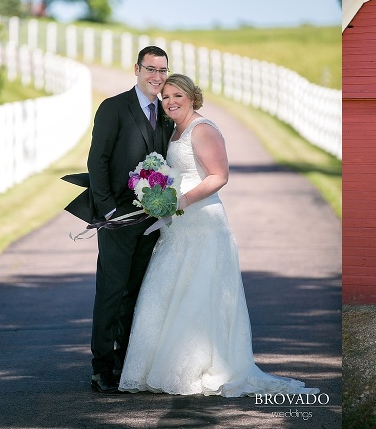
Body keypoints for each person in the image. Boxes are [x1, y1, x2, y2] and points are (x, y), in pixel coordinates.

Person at [118, 74, 318, 396]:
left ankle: (199, 367)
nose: (170, 102)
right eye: (165, 97)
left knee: (200, 293)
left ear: (192, 96)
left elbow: (219, 175)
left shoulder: (202, 129)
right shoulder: (174, 130)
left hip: (203, 223)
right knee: (171, 291)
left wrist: (180, 201)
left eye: (177, 95)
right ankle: (163, 367)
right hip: (178, 226)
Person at [86, 46, 173, 392]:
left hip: (150, 219)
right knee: (111, 290)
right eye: (151, 69)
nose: (157, 77)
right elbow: (98, 160)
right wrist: (107, 210)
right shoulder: (114, 107)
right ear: (137, 69)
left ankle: (126, 363)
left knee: (135, 292)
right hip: (117, 217)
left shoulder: (166, 113)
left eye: (162, 71)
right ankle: (101, 367)